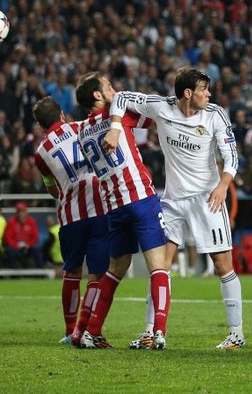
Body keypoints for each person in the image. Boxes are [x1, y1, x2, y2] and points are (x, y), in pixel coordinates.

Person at [105, 67, 245, 350]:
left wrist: (223, 185)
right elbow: (120, 98)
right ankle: (149, 332)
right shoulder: (161, 107)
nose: (209, 94)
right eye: (204, 89)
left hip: (207, 199)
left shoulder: (215, 115)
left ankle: (236, 334)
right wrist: (115, 128)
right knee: (160, 266)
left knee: (222, 265)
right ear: (188, 93)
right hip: (172, 201)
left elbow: (231, 156)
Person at [75, 72, 169, 349]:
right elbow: (156, 117)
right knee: (158, 266)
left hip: (114, 206)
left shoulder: (82, 130)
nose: (114, 89)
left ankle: (92, 331)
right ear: (97, 95)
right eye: (108, 86)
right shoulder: (117, 115)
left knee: (116, 268)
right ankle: (159, 332)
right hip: (139, 197)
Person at [32, 96, 112, 345]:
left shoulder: (40, 153)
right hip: (100, 209)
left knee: (72, 271)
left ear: (41, 126)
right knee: (97, 274)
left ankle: (69, 332)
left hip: (70, 216)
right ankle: (83, 329)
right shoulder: (81, 127)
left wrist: (68, 190)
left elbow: (51, 189)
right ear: (62, 115)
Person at [3, 202, 43, 269]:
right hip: (15, 247)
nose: (21, 214)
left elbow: (35, 237)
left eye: (22, 211)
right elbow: (8, 238)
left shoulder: (31, 221)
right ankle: (12, 272)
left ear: (26, 212)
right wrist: (16, 245)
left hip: (28, 247)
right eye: (19, 212)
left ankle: (40, 271)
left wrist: (28, 245)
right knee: (10, 251)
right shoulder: (11, 222)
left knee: (37, 250)